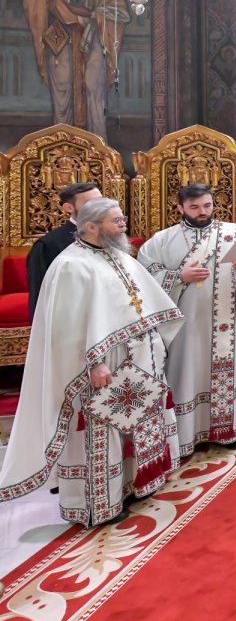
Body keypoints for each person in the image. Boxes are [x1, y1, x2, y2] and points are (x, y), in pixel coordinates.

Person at [0, 198, 182, 526]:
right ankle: (100, 505)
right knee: (102, 432)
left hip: (138, 359)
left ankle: (134, 485)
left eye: (121, 217)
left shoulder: (117, 254)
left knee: (135, 425)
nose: (123, 224)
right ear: (91, 226)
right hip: (103, 366)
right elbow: (66, 326)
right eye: (115, 220)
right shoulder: (71, 265)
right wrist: (94, 362)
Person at [136, 184, 236, 455]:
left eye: (207, 205)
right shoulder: (161, 241)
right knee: (185, 375)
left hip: (222, 324)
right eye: (194, 207)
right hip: (183, 328)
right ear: (180, 208)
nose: (202, 212)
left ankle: (225, 430)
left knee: (223, 372)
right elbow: (144, 277)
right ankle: (185, 435)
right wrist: (179, 277)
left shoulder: (233, 232)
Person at [22, 0, 129, 139]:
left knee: (94, 88)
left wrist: (91, 14)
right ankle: (62, 145)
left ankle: (98, 148)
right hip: (60, 37)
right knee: (62, 88)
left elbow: (120, 10)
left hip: (94, 37)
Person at [26, 181, 102, 318]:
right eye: (91, 204)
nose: (100, 208)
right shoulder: (48, 245)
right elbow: (39, 294)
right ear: (69, 208)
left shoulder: (110, 236)